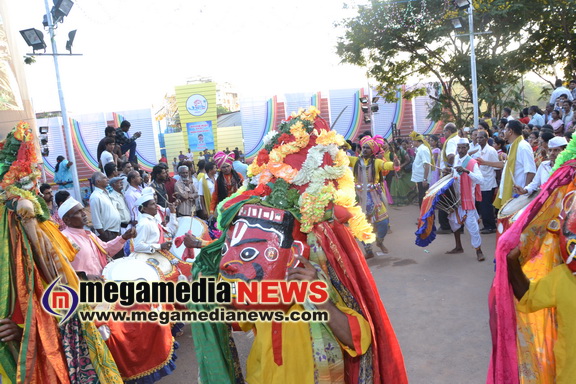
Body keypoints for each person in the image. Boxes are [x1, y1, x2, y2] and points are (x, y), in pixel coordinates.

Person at [60, 197, 136, 278]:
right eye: (78, 212)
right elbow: (62, 268)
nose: (84, 214)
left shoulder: (89, 234)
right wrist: (85, 277)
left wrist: (123, 238)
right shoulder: (64, 238)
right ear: (67, 220)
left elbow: (105, 250)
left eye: (83, 210)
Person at [349, 136, 399, 257]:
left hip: (374, 196)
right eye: (363, 147)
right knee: (359, 225)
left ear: (372, 151)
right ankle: (368, 249)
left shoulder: (376, 162)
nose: (364, 150)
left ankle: (379, 241)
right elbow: (340, 158)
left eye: (367, 148)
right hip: (359, 197)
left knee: (384, 223)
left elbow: (386, 166)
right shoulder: (355, 161)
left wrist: (394, 164)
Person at [443, 138, 484, 261]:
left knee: (472, 228)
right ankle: (458, 247)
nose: (460, 150)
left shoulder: (472, 163)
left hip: (467, 200)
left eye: (463, 148)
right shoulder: (456, 159)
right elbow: (455, 175)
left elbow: (481, 180)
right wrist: (449, 171)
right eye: (459, 148)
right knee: (454, 223)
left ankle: (479, 251)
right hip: (455, 199)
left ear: (467, 148)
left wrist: (467, 171)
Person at [486, 120, 536, 210]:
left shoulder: (523, 146)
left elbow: (531, 171)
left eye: (505, 129)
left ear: (510, 131)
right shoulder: (513, 146)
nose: (503, 132)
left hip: (519, 194)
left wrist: (525, 192)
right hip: (512, 192)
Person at [133, 188, 177, 254]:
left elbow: (170, 231)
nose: (156, 206)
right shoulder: (144, 223)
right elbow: (137, 246)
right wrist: (159, 246)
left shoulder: (154, 221)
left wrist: (173, 213)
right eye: (153, 204)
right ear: (144, 209)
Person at [437, 123, 461, 234]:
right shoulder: (458, 138)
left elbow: (451, 156)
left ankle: (445, 226)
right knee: (455, 201)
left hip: (449, 175)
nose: (444, 134)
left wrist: (449, 169)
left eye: (445, 131)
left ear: (449, 131)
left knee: (444, 200)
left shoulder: (451, 141)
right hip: (455, 174)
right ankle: (457, 226)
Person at [475, 131, 499, 234]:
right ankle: (486, 225)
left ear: (486, 138)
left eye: (481, 138)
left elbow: (497, 167)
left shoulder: (491, 151)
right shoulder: (479, 150)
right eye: (477, 138)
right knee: (482, 205)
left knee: (486, 206)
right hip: (481, 182)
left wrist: (497, 184)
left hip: (488, 182)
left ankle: (490, 226)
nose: (478, 139)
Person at [89, 172, 122, 242]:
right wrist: (105, 235)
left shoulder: (107, 193)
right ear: (98, 181)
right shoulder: (95, 197)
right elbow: (96, 219)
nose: (107, 179)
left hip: (116, 231)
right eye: (104, 178)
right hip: (108, 234)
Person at [409, 131, 432, 208]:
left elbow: (427, 164)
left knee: (423, 199)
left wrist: (425, 179)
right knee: (421, 198)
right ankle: (422, 218)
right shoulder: (420, 149)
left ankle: (425, 218)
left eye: (413, 140)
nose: (412, 142)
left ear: (417, 141)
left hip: (423, 179)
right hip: (420, 178)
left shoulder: (423, 150)